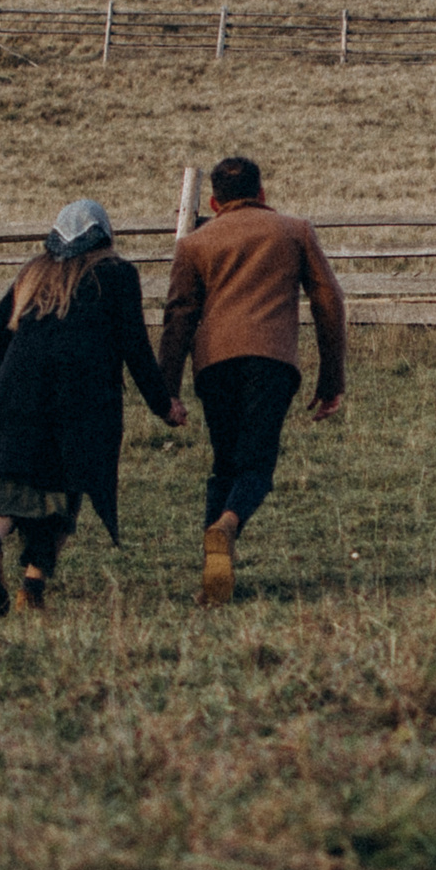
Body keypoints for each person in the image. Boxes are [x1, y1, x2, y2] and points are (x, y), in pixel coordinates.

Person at [0, 200, 183, 615]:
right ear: (104, 235)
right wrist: (163, 405)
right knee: (64, 490)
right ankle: (32, 587)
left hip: (19, 398)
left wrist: (12, 391)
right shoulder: (116, 275)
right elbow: (135, 349)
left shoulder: (32, 273)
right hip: (81, 401)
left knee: (8, 483)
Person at [159, 157, 347, 607]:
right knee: (257, 465)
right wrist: (331, 376)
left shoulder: (194, 244)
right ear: (262, 194)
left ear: (213, 202)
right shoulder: (295, 230)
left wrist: (165, 390)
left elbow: (179, 316)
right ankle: (227, 525)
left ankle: (213, 580)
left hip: (214, 366)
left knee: (225, 464)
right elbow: (329, 299)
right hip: (272, 362)